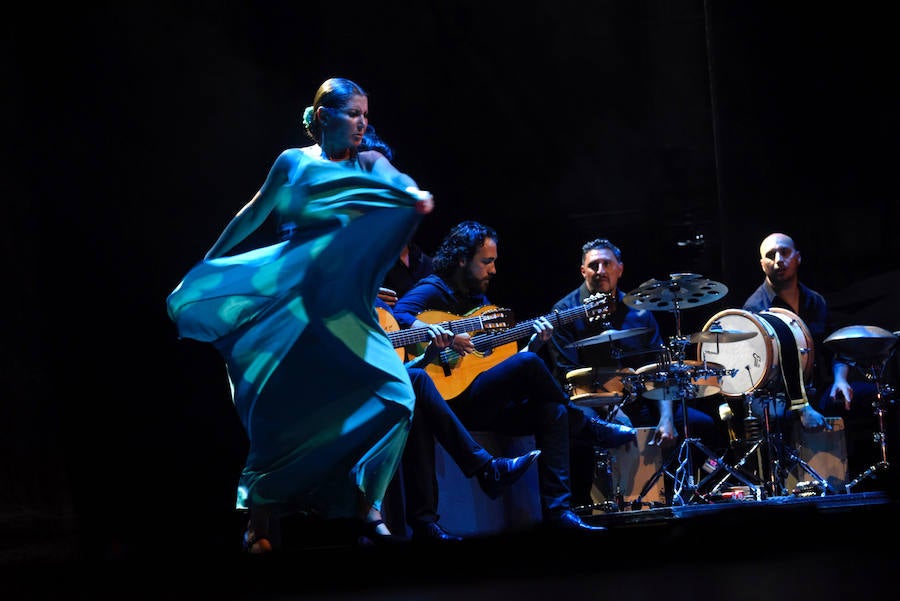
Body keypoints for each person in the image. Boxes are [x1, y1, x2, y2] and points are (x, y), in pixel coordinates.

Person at [166, 77, 435, 553]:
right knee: (280, 418)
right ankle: (261, 522)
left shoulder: (368, 162)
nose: (362, 123)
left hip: (345, 311)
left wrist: (413, 195)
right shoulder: (292, 162)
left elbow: (398, 182)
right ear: (324, 117)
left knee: (397, 399)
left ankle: (360, 503)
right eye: (353, 114)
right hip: (291, 307)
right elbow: (252, 214)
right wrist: (208, 264)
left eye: (366, 115)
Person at [392, 221, 637, 533]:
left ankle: (558, 513)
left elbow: (494, 361)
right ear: (462, 260)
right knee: (531, 365)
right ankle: (586, 426)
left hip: (479, 398)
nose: (493, 270)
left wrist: (534, 343)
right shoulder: (434, 287)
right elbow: (398, 316)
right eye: (487, 261)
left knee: (553, 410)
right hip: (445, 398)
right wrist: (440, 333)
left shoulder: (481, 303)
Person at [542, 237, 718, 506]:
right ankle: (583, 507)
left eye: (606, 264)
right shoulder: (565, 312)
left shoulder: (639, 312)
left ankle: (676, 496)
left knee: (700, 424)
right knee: (581, 428)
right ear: (583, 271)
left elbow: (660, 370)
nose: (600, 270)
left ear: (619, 269)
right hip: (588, 402)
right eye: (593, 265)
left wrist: (667, 418)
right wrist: (611, 408)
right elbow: (570, 375)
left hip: (636, 399)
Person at [376, 298, 541, 541]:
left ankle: (425, 523)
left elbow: (402, 373)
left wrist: (431, 354)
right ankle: (486, 469)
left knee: (418, 403)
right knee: (419, 380)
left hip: (383, 392)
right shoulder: (341, 310)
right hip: (349, 394)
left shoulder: (380, 308)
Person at [742, 232, 882, 489]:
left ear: (797, 257)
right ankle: (793, 485)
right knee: (777, 417)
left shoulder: (815, 301)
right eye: (770, 256)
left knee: (875, 396)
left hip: (819, 388)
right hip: (781, 396)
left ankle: (868, 477)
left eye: (784, 252)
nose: (778, 260)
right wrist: (801, 407)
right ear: (762, 264)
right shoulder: (755, 309)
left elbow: (835, 348)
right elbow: (765, 371)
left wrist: (840, 380)